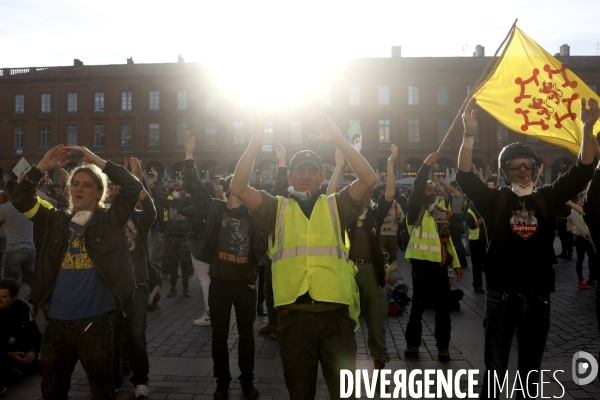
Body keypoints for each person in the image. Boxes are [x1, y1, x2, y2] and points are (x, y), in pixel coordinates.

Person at [456, 97, 599, 398]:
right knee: (495, 372)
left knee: (530, 376)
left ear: (535, 169)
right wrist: (468, 135)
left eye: (528, 165)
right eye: (514, 166)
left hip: (539, 301)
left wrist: (587, 129)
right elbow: (465, 177)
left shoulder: (547, 196)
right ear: (504, 171)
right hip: (501, 300)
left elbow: (584, 169)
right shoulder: (495, 200)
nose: (522, 170)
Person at [230, 112, 377, 400]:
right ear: (290, 177)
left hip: (336, 319)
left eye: (312, 170)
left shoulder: (338, 206)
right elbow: (238, 188)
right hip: (295, 320)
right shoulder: (277, 209)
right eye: (300, 170)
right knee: (300, 394)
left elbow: (369, 178)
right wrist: (255, 143)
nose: (305, 175)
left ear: (323, 177)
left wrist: (338, 139)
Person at [10, 144, 142, 399]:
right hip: (57, 324)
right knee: (51, 392)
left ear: (99, 193)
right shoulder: (53, 219)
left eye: (87, 185)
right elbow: (20, 199)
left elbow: (134, 188)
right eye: (75, 184)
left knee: (102, 393)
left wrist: (96, 160)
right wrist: (43, 166)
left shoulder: (109, 221)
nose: (79, 188)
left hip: (95, 325)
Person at [183, 132, 267, 399]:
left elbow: (276, 193)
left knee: (247, 337)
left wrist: (281, 162)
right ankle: (222, 381)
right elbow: (194, 187)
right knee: (219, 337)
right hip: (219, 283)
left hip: (246, 285)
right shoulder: (215, 208)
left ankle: (247, 380)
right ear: (232, 190)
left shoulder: (254, 216)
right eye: (241, 189)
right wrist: (189, 155)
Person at [327, 144, 396, 373]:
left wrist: (390, 164)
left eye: (366, 196)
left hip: (370, 274)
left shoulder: (374, 216)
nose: (362, 200)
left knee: (377, 325)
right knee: (345, 326)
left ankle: (379, 366)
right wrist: (338, 167)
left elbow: (390, 195)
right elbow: (328, 198)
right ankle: (346, 370)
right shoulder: (342, 218)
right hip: (346, 275)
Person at [403, 153, 463, 362]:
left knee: (443, 309)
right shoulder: (414, 211)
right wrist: (426, 164)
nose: (431, 192)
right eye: (428, 189)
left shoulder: (441, 212)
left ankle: (443, 347)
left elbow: (447, 241)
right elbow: (418, 186)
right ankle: (412, 344)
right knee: (418, 306)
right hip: (421, 264)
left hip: (440, 265)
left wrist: (455, 265)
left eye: (433, 189)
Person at [107, 157, 156, 397]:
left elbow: (152, 211)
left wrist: (138, 183)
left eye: (119, 188)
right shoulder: (103, 217)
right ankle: (115, 378)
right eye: (112, 188)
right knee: (113, 335)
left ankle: (140, 381)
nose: (115, 192)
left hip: (137, 285)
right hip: (110, 286)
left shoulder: (138, 217)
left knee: (136, 335)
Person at [179, 182, 216, 326]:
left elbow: (181, 209)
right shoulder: (216, 205)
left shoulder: (197, 207)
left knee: (204, 281)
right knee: (212, 280)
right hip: (211, 244)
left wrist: (187, 197)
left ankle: (209, 314)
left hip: (198, 245)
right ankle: (215, 312)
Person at [147, 177, 190, 298]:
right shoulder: (168, 202)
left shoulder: (186, 202)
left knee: (185, 263)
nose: (176, 191)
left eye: (178, 189)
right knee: (172, 263)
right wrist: (152, 185)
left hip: (183, 237)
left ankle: (186, 287)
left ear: (181, 190)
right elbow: (157, 198)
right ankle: (173, 287)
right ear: (171, 191)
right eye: (174, 189)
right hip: (171, 236)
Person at [0, 278, 42, 396]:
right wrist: (8, 354)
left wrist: (32, 352)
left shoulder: (22, 308)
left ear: (14, 297)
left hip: (18, 351)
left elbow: (35, 333)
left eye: (4, 297)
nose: (0, 300)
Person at [0, 181, 36, 288]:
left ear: (6, 191)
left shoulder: (5, 208)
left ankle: (12, 304)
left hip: (14, 250)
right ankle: (27, 303)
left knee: (9, 285)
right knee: (28, 284)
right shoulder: (28, 205)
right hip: (31, 250)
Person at [567, 196, 596, 288]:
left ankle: (592, 278)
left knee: (593, 258)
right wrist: (589, 238)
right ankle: (581, 280)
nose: (585, 199)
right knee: (581, 258)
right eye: (584, 197)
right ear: (579, 198)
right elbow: (580, 226)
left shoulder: (586, 208)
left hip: (587, 236)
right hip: (580, 237)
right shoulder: (575, 210)